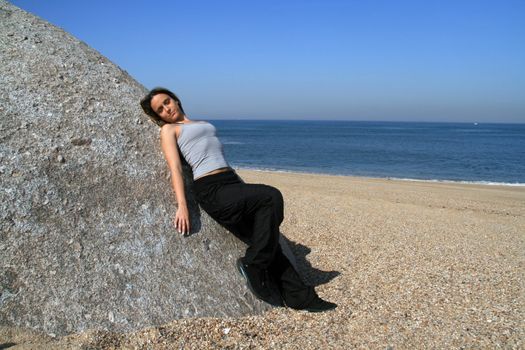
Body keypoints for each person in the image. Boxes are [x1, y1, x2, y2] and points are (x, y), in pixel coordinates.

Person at [140, 87, 336, 312]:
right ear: (159, 116)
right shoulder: (169, 130)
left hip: (231, 182)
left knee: (266, 240)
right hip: (211, 189)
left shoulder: (201, 123)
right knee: (271, 196)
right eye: (160, 109)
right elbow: (175, 167)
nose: (167, 109)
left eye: (167, 102)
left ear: (175, 99)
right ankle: (253, 264)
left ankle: (299, 297)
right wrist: (182, 206)